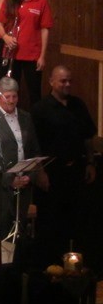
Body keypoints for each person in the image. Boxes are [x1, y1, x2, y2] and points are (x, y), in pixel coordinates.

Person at [32, 66, 97, 260]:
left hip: (76, 171)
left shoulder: (78, 105)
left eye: (70, 80)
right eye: (63, 81)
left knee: (77, 218)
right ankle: (50, 264)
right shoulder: (40, 109)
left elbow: (87, 137)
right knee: (51, 221)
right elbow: (33, 145)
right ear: (51, 82)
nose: (67, 84)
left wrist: (91, 162)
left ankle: (75, 263)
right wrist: (40, 172)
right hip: (52, 172)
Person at [0, 76, 40, 241]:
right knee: (0, 226)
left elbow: (33, 149)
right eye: (7, 96)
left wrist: (29, 176)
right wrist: (9, 179)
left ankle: (18, 256)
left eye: (14, 96)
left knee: (20, 225)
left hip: (23, 182)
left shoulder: (25, 117)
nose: (11, 101)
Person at [0, 0, 52, 105]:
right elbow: (0, 25)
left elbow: (45, 29)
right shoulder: (10, 0)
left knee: (34, 92)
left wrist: (42, 56)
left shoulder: (41, 1)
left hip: (32, 55)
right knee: (10, 93)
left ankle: (35, 119)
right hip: (12, 54)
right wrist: (6, 37)